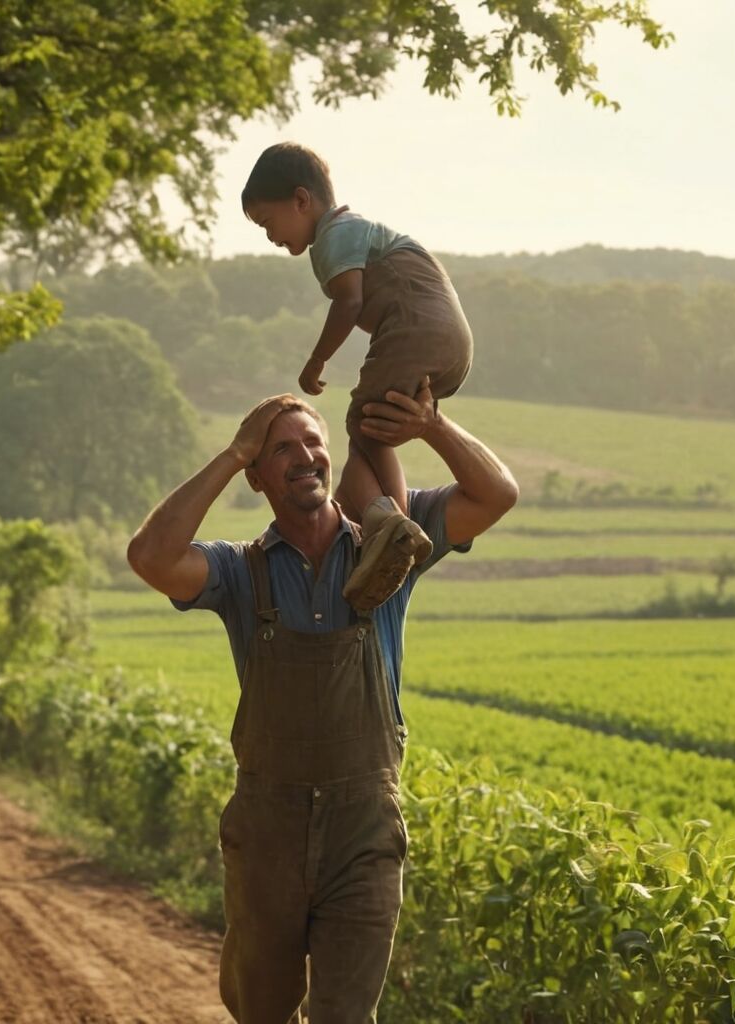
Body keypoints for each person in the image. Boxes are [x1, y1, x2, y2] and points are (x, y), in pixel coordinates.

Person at [126, 382, 518, 1024]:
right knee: (263, 1011)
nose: (303, 456)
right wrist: (231, 452)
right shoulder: (238, 572)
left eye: (313, 442)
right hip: (267, 833)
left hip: (362, 831)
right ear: (257, 477)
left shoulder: (391, 548)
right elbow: (151, 557)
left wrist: (430, 425)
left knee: (344, 1015)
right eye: (280, 450)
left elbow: (496, 494)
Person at [241, 142, 476, 611]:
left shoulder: (335, 235)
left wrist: (317, 361)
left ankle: (394, 531)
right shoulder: (346, 234)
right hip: (447, 342)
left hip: (416, 328)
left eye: (269, 222)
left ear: (301, 201)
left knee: (362, 421)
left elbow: (348, 303)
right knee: (371, 434)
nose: (269, 236)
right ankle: (389, 526)